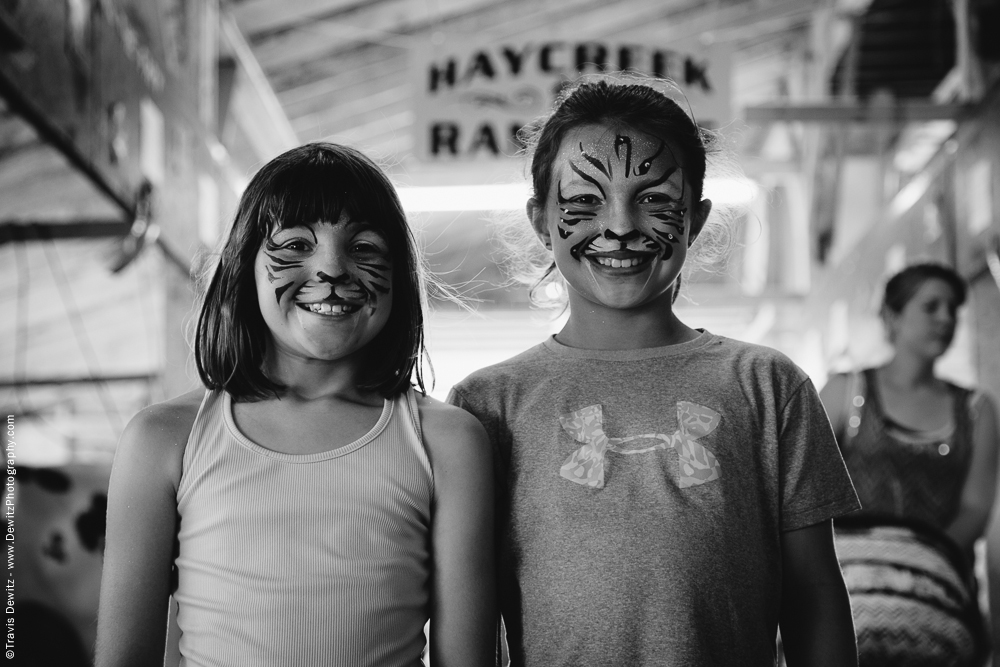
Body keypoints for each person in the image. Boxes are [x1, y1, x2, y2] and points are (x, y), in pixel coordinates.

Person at [448, 76, 860, 667]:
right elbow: (470, 616)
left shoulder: (768, 385)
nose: (620, 226)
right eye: (585, 202)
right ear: (541, 219)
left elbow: (814, 596)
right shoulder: (488, 404)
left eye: (654, 199)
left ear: (695, 217)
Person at [95, 143, 495, 667]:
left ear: (400, 274)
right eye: (295, 244)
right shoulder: (163, 440)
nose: (331, 269)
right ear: (243, 268)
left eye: (365, 247)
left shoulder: (447, 443)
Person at [820, 263, 999, 665]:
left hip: (937, 598)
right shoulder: (845, 393)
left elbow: (976, 508)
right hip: (848, 587)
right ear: (892, 316)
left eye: (953, 309)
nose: (946, 318)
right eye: (931, 306)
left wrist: (922, 564)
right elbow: (801, 485)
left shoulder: (976, 409)